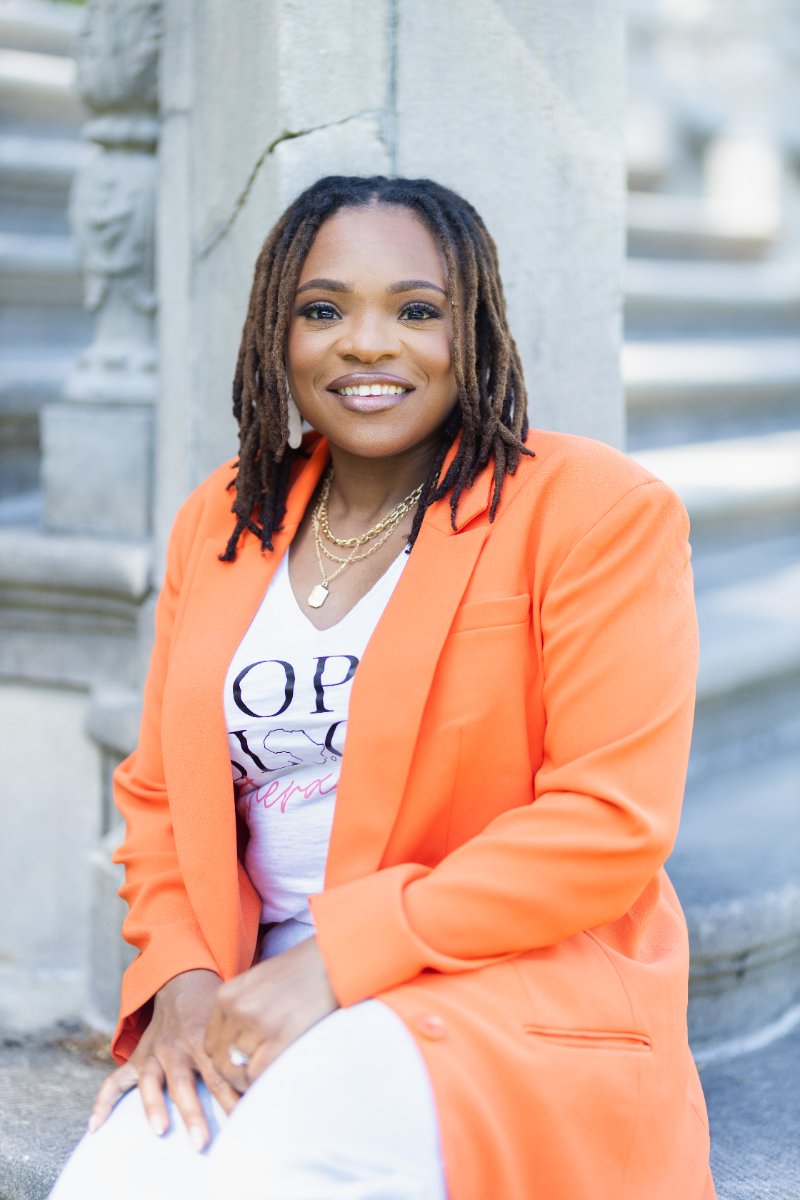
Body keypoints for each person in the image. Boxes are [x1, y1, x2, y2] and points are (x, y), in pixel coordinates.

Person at [51, 175, 715, 1200]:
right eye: (323, 310)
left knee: (279, 1168)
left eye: (416, 311)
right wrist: (181, 981)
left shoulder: (593, 511)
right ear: (276, 334)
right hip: (254, 986)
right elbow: (159, 796)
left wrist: (334, 962)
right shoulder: (223, 519)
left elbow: (607, 822)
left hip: (491, 986)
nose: (366, 344)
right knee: (114, 1177)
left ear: (473, 330)